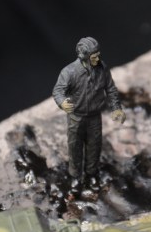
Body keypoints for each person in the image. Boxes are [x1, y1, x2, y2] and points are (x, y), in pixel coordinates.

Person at [52, 37, 126, 187]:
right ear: (84, 56)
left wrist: (116, 108)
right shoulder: (69, 72)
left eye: (98, 55)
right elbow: (58, 91)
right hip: (76, 117)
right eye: (94, 57)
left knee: (95, 146)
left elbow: (111, 89)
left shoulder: (102, 68)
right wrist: (62, 102)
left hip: (94, 117)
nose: (98, 59)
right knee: (75, 147)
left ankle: (91, 173)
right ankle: (75, 175)